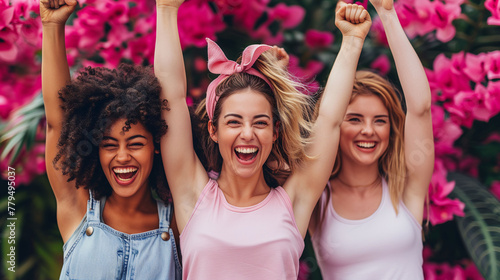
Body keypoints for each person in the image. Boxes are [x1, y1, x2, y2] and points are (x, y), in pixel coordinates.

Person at [154, 1, 371, 279]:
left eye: (260, 123)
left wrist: (353, 40)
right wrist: (166, 8)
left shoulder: (292, 203)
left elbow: (329, 121)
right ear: (213, 130)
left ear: (275, 132)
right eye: (233, 122)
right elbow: (169, 98)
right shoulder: (193, 196)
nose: (248, 134)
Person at [40, 0, 181, 279]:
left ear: (156, 146)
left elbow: (173, 99)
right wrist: (52, 25)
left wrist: (167, 8)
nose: (122, 156)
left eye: (136, 143)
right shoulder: (78, 209)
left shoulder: (178, 225)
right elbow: (58, 126)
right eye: (109, 145)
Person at [308, 0, 434, 279]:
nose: (369, 130)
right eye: (355, 119)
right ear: (338, 127)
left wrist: (387, 14)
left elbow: (420, 108)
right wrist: (351, 41)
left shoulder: (406, 188)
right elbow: (327, 119)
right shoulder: (315, 197)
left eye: (380, 120)